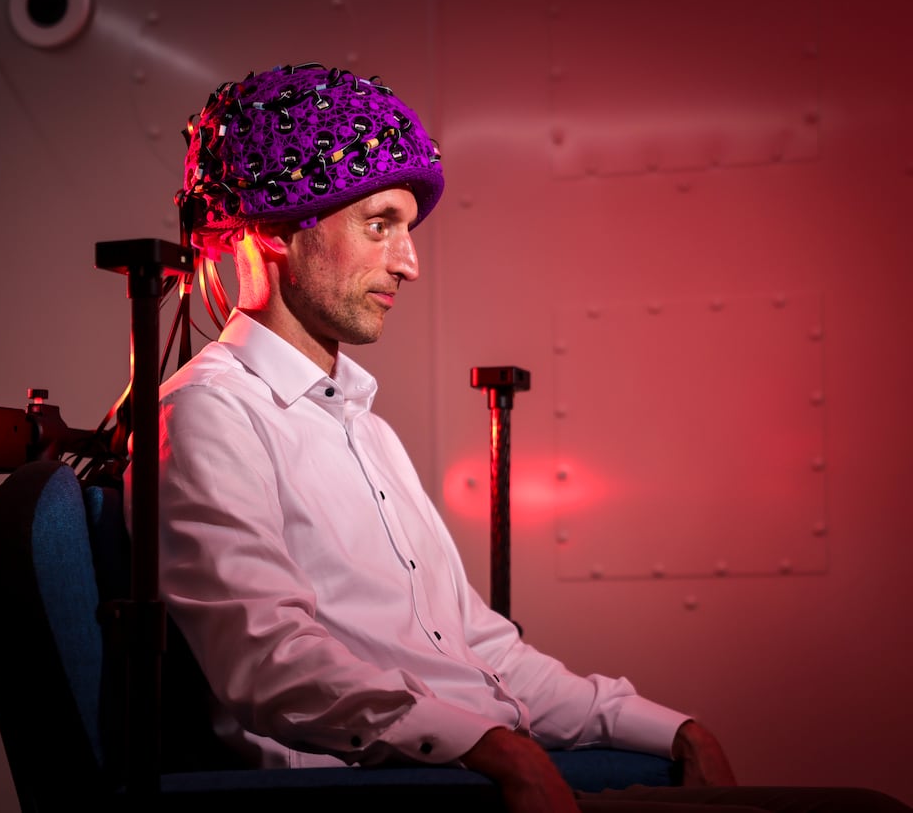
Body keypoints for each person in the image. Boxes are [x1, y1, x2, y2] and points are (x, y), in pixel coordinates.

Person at [130, 62, 910, 812]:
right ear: (272, 232)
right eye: (379, 226)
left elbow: (482, 653)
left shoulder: (361, 427)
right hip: (379, 791)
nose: (409, 263)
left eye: (407, 229)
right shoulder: (208, 413)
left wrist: (671, 726)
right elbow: (270, 664)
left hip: (471, 772)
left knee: (859, 804)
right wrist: (494, 748)